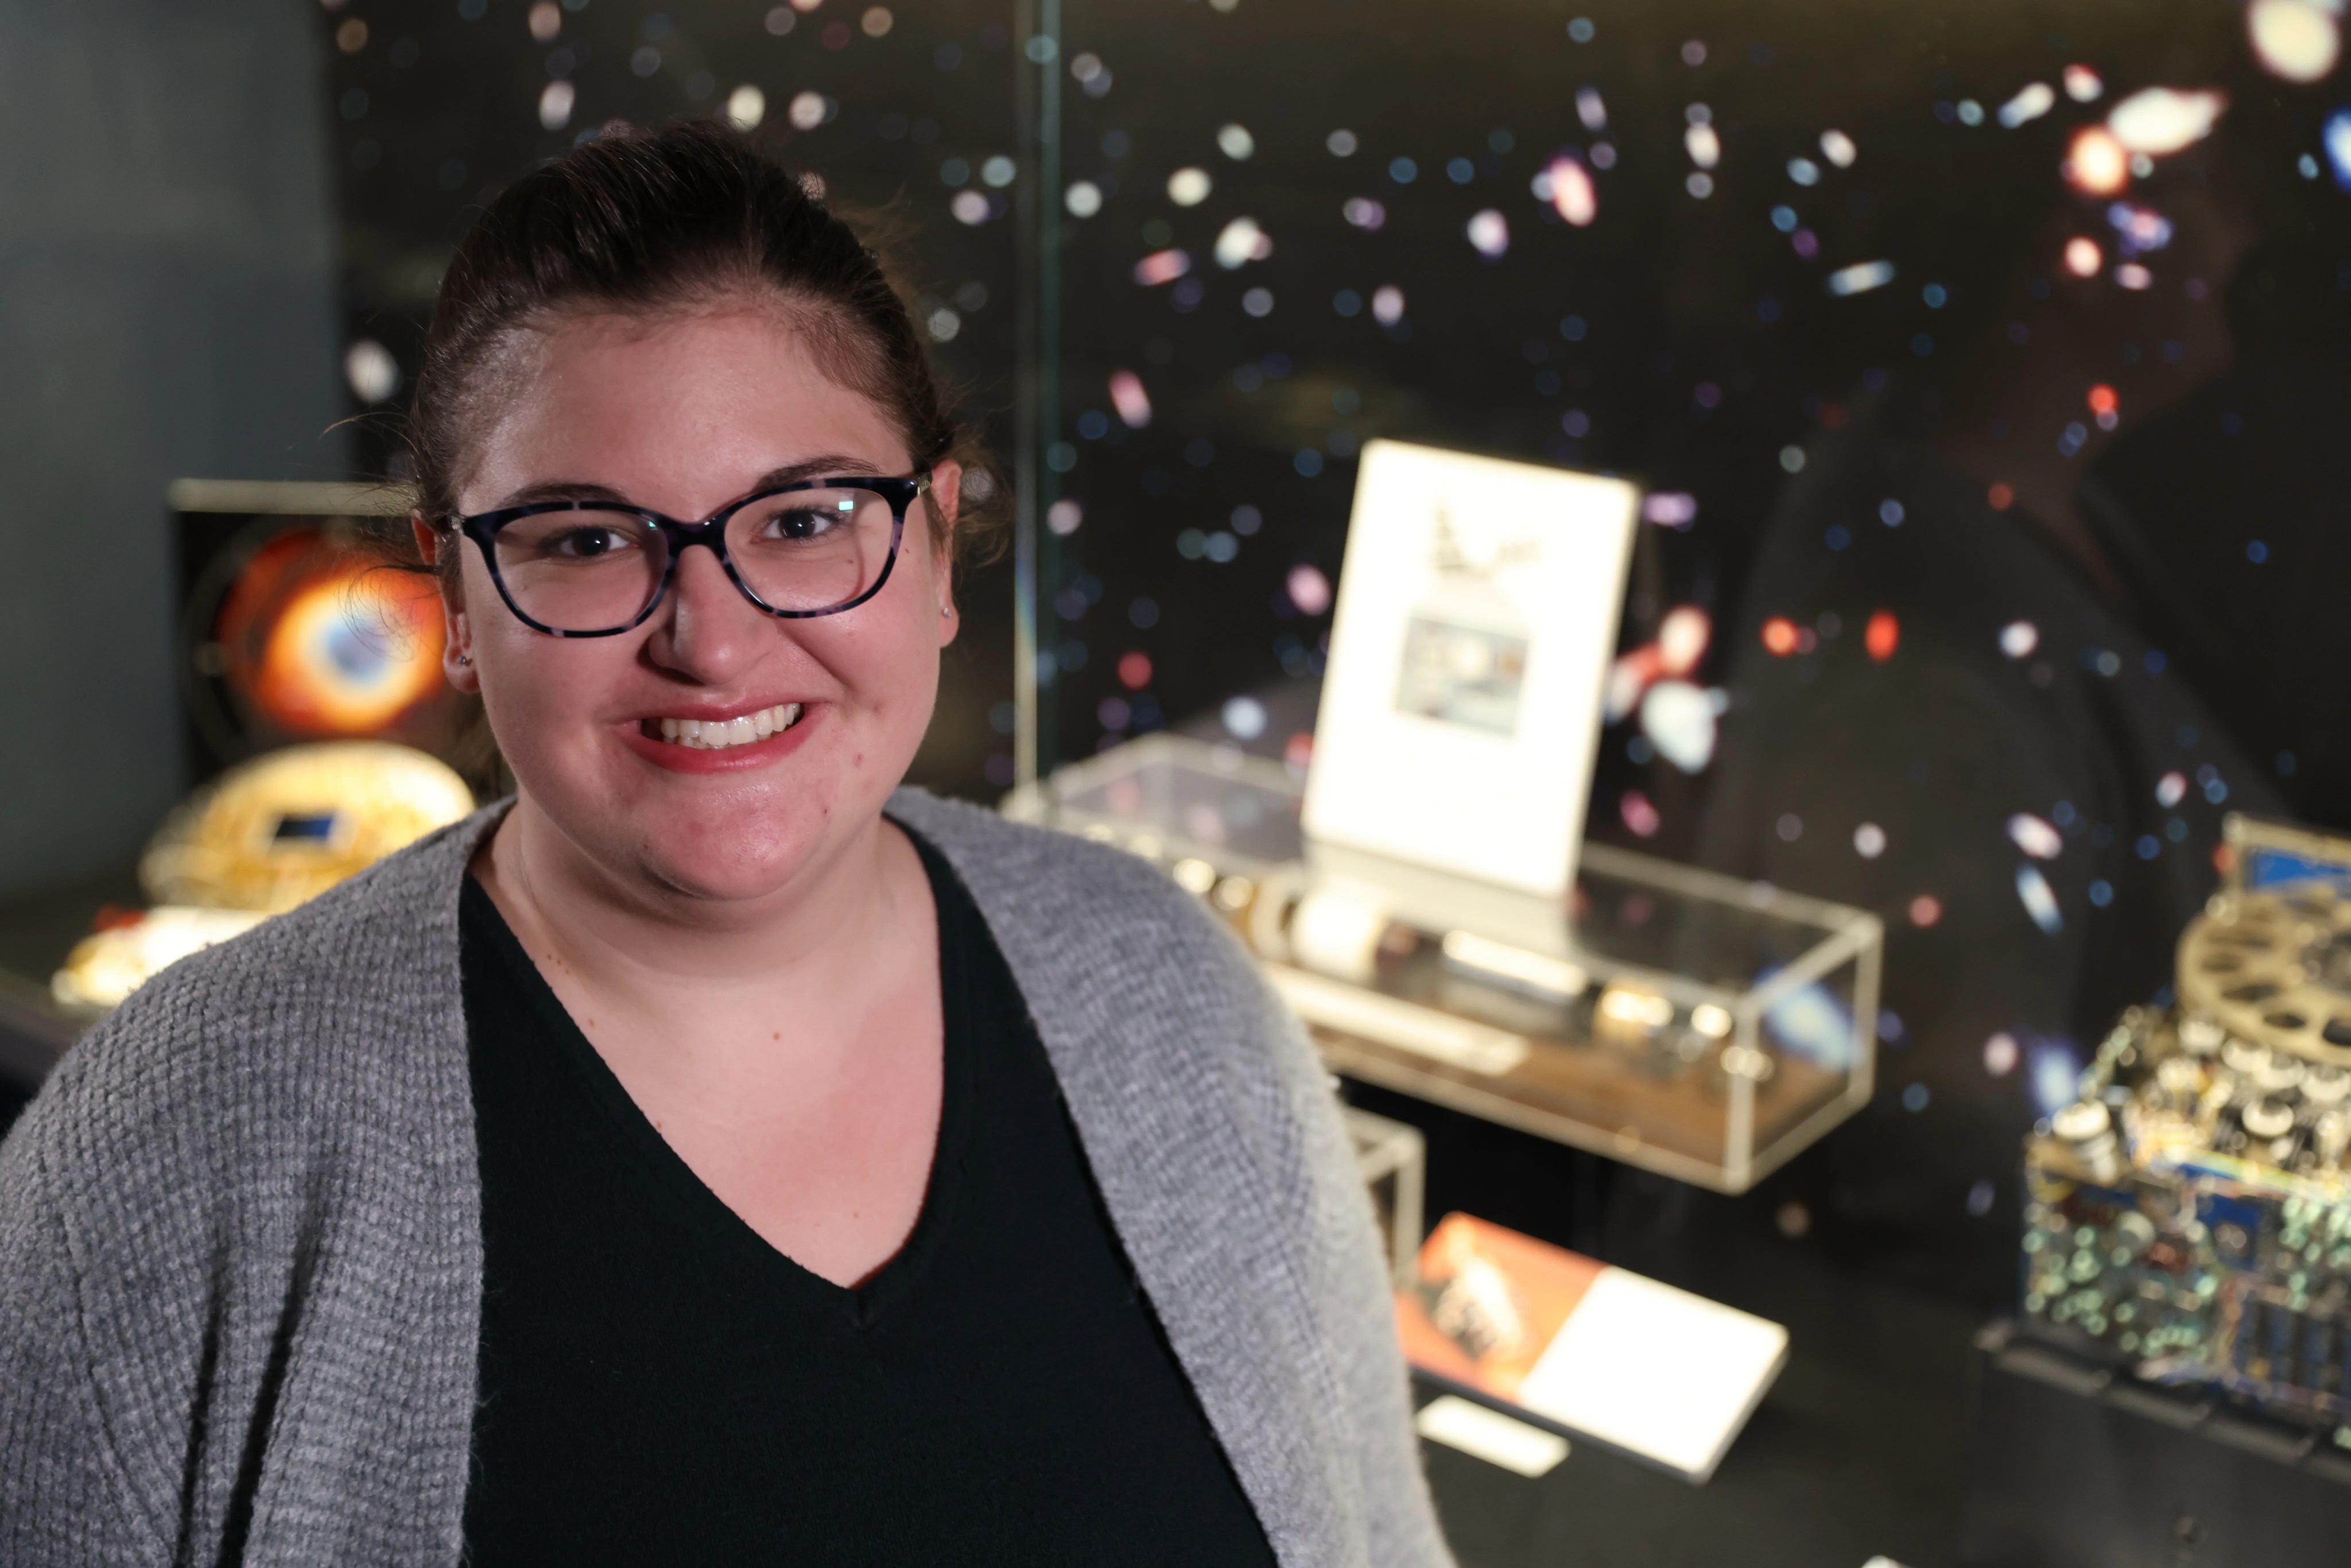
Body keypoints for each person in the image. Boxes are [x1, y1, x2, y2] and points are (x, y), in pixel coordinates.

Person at [0, 123, 1448, 1567]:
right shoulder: (181, 1138)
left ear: (936, 545)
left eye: (805, 519)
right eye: (583, 540)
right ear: (451, 596)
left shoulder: (1170, 993)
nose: (713, 638)